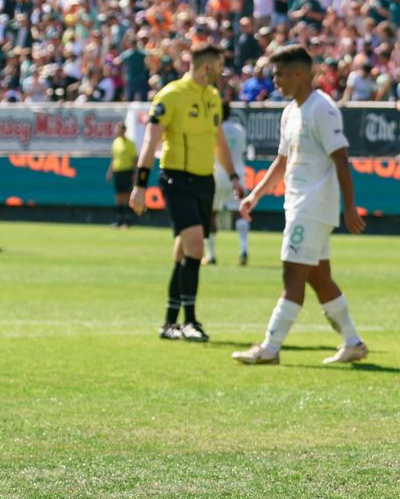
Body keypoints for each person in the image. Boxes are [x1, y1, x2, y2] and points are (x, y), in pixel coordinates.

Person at [231, 46, 368, 366]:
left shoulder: (322, 109)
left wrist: (349, 207)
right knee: (319, 278)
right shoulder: (290, 111)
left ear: (299, 74)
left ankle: (269, 347)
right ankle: (353, 342)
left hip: (313, 205)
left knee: (292, 276)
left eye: (278, 74)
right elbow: (282, 160)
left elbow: (341, 159)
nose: (274, 81)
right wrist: (256, 194)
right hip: (298, 203)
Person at [132, 45, 246, 342]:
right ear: (206, 67)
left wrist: (233, 176)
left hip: (204, 180)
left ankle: (169, 322)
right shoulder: (171, 95)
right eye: (219, 66)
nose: (223, 73)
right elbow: (150, 142)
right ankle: (190, 321)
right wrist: (140, 185)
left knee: (184, 251)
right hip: (176, 179)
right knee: (196, 246)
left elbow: (219, 142)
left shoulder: (212, 97)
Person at [207, 99, 252, 267]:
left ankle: (211, 254)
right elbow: (241, 151)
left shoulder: (213, 129)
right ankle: (243, 249)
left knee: (212, 213)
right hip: (237, 174)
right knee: (240, 213)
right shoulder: (239, 130)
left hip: (217, 174)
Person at [109, 126, 138, 228]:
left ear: (124, 130)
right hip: (117, 171)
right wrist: (110, 172)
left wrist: (135, 173)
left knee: (126, 195)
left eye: (119, 129)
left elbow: (135, 158)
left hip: (127, 171)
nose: (117, 131)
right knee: (118, 196)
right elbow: (113, 158)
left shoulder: (130, 143)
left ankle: (127, 220)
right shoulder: (115, 142)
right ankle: (119, 219)